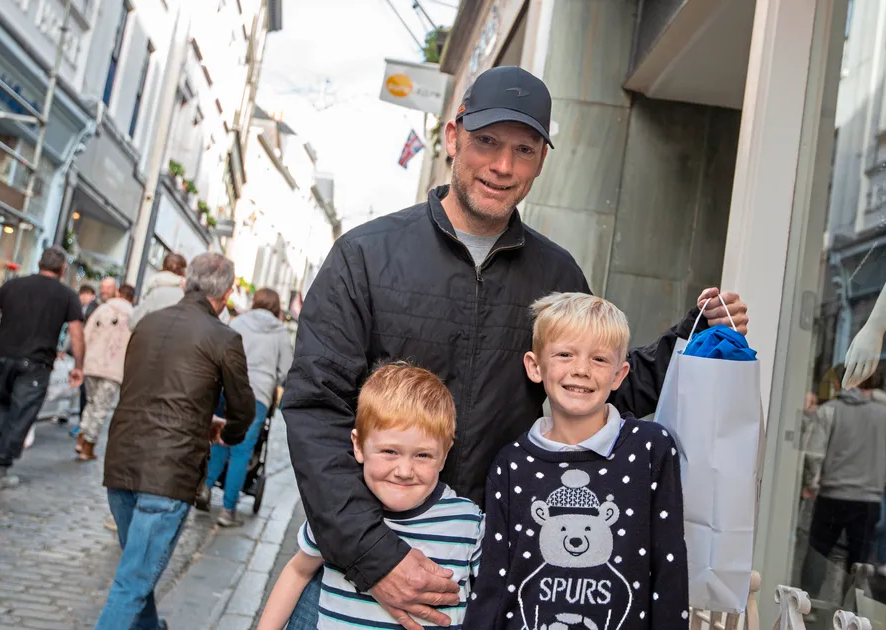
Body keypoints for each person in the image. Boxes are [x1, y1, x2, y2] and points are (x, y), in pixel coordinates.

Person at [284, 65, 749, 629]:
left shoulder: (558, 275)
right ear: (453, 138)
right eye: (487, 143)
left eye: (524, 150)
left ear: (542, 162)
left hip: (481, 585)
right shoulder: (363, 257)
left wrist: (691, 339)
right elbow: (316, 411)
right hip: (353, 582)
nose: (503, 167)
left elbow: (589, 398)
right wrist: (375, 555)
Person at [464, 292, 687, 629]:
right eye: (565, 354)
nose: (581, 370)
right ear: (535, 367)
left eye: (599, 359)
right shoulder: (510, 464)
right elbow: (493, 582)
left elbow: (669, 571)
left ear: (619, 374)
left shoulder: (651, 449)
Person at [95, 253, 256, 630]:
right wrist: (227, 434)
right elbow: (243, 410)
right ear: (228, 294)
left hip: (121, 460)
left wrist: (202, 419)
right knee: (133, 581)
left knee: (137, 571)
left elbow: (148, 388)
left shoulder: (148, 323)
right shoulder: (224, 337)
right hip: (169, 470)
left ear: (186, 282)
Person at [259, 362, 482, 629]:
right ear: (358, 445)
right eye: (389, 451)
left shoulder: (468, 523)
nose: (404, 470)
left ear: (444, 455)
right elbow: (298, 571)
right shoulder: (339, 515)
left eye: (422, 455)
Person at [0, 247, 84, 489]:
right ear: (62, 269)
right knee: (21, 413)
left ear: (40, 263)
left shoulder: (13, 285)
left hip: (3, 356)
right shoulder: (66, 295)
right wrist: (79, 366)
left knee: (2, 403)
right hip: (36, 362)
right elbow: (76, 333)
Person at [799, 372, 886, 598]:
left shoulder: (830, 410)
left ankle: (807, 603)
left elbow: (814, 454)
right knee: (860, 559)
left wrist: (812, 481)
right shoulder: (884, 414)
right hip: (868, 498)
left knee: (819, 551)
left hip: (832, 493)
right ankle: (853, 608)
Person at [199, 287, 294, 526]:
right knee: (242, 450)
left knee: (221, 440)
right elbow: (286, 369)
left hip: (230, 389)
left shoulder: (238, 322)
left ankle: (205, 489)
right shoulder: (280, 331)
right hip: (259, 394)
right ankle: (228, 510)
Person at [74, 281, 135, 460]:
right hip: (114, 369)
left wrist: (81, 361)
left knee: (90, 402)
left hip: (92, 364)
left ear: (118, 293)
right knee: (101, 408)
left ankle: (81, 438)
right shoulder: (133, 316)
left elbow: (86, 334)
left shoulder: (102, 310)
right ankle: (88, 446)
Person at [128, 252, 187, 331]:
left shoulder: (153, 287)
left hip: (149, 337)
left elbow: (133, 322)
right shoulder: (186, 293)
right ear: (183, 270)